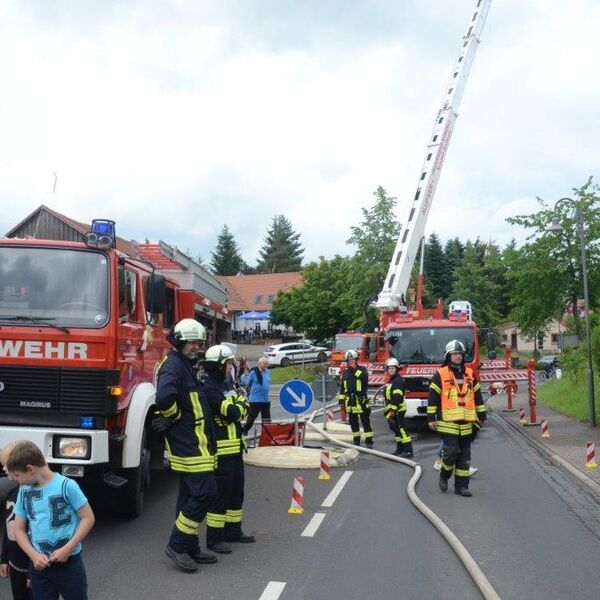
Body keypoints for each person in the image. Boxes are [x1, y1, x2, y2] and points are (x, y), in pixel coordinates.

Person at [154, 318, 219, 572]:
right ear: (180, 341)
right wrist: (174, 416)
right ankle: (178, 545)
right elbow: (164, 397)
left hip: (196, 444)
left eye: (200, 343)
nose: (197, 347)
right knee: (206, 494)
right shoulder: (173, 366)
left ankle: (190, 546)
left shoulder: (184, 365)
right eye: (193, 342)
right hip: (189, 445)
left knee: (189, 495)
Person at [8, 440, 95, 600]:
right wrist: (33, 555)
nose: (16, 480)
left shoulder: (67, 486)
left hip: (70, 565)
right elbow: (19, 528)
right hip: (39, 568)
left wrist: (68, 548)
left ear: (30, 468)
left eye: (18, 476)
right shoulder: (24, 490)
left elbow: (88, 518)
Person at [201, 344, 256, 554]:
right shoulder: (210, 390)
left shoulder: (226, 385)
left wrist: (241, 403)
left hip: (235, 451)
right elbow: (235, 412)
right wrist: (242, 403)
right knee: (220, 496)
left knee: (236, 493)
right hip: (221, 452)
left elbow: (241, 405)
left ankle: (233, 531)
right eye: (228, 363)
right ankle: (215, 538)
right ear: (219, 366)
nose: (230, 367)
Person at [427, 340, 486, 497]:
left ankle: (461, 487)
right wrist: (431, 418)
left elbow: (478, 396)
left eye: (460, 354)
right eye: (454, 354)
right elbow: (432, 398)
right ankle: (444, 475)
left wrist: (482, 415)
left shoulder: (470, 374)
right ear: (448, 356)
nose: (458, 356)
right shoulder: (440, 374)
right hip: (448, 422)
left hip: (467, 422)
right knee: (451, 452)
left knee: (464, 457)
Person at [1, 443, 31, 600]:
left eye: (6, 464)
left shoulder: (33, 496)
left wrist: (33, 573)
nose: (4, 469)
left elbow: (36, 535)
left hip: (32, 568)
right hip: (14, 564)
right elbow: (8, 528)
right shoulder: (11, 493)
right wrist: (4, 559)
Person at [338, 350, 373, 447]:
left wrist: (354, 369)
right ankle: (356, 439)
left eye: (353, 359)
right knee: (353, 423)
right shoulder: (345, 373)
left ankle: (369, 441)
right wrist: (341, 400)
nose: (351, 361)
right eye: (349, 360)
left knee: (365, 422)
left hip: (361, 400)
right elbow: (342, 387)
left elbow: (363, 378)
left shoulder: (362, 369)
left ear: (356, 360)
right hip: (350, 401)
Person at [383, 358, 413, 458]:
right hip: (393, 409)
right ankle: (399, 449)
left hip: (398, 409)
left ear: (397, 369)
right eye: (389, 368)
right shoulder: (391, 380)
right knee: (396, 430)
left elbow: (397, 397)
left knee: (401, 429)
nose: (391, 370)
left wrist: (392, 410)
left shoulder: (398, 381)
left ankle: (408, 451)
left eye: (393, 368)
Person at [241, 357, 272, 434]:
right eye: (264, 363)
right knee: (251, 419)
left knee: (267, 420)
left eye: (267, 363)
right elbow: (248, 384)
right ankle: (243, 432)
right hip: (255, 400)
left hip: (265, 400)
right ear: (259, 363)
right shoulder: (253, 372)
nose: (266, 365)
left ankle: (266, 434)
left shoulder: (267, 372)